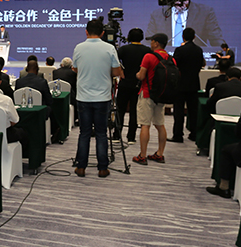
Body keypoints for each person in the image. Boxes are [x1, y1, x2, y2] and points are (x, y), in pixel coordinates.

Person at [72, 19, 122, 178]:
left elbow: (75, 68)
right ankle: (102, 168)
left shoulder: (79, 47)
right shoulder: (109, 48)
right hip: (103, 97)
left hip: (83, 96)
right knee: (101, 133)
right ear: (102, 33)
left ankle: (81, 167)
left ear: (86, 32)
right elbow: (116, 72)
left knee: (84, 133)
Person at [146, 0, 224, 47]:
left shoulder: (205, 12)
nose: (180, 0)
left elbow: (217, 40)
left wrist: (225, 51)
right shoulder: (157, 15)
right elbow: (148, 42)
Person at [133, 33, 174, 166]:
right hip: (161, 96)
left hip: (147, 94)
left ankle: (142, 155)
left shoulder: (149, 56)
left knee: (145, 124)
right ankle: (160, 154)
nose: (150, 43)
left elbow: (141, 76)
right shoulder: (171, 59)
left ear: (156, 43)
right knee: (160, 124)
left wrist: (136, 74)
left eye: (152, 41)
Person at [170, 27, 206, 142]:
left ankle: (178, 135)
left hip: (180, 84)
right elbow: (201, 64)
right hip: (194, 83)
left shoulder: (180, 50)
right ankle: (193, 134)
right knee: (193, 111)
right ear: (194, 37)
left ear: (183, 37)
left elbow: (174, 65)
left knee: (179, 111)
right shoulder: (199, 50)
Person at [115, 28, 149, 143]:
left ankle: (117, 135)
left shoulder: (123, 49)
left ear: (129, 37)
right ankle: (131, 137)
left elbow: (114, 60)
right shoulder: (147, 50)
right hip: (139, 84)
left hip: (125, 83)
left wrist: (120, 71)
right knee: (135, 111)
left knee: (120, 109)